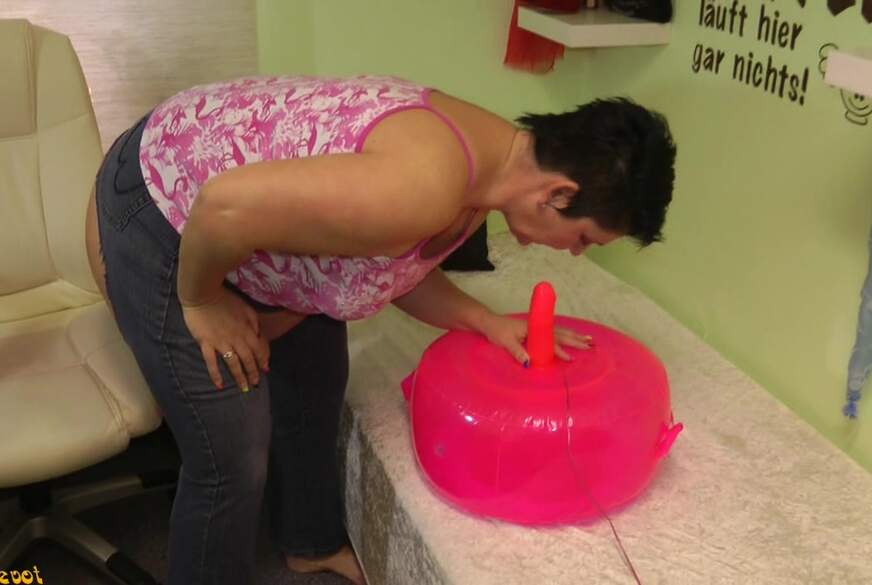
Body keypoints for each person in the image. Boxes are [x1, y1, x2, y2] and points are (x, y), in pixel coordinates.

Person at [84, 75, 676, 585]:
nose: (574, 253)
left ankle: (309, 543)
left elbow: (395, 267)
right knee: (233, 453)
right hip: (164, 208)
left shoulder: (491, 160)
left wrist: (486, 320)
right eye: (583, 239)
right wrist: (202, 299)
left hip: (227, 213)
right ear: (558, 195)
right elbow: (222, 208)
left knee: (317, 380)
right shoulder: (424, 185)